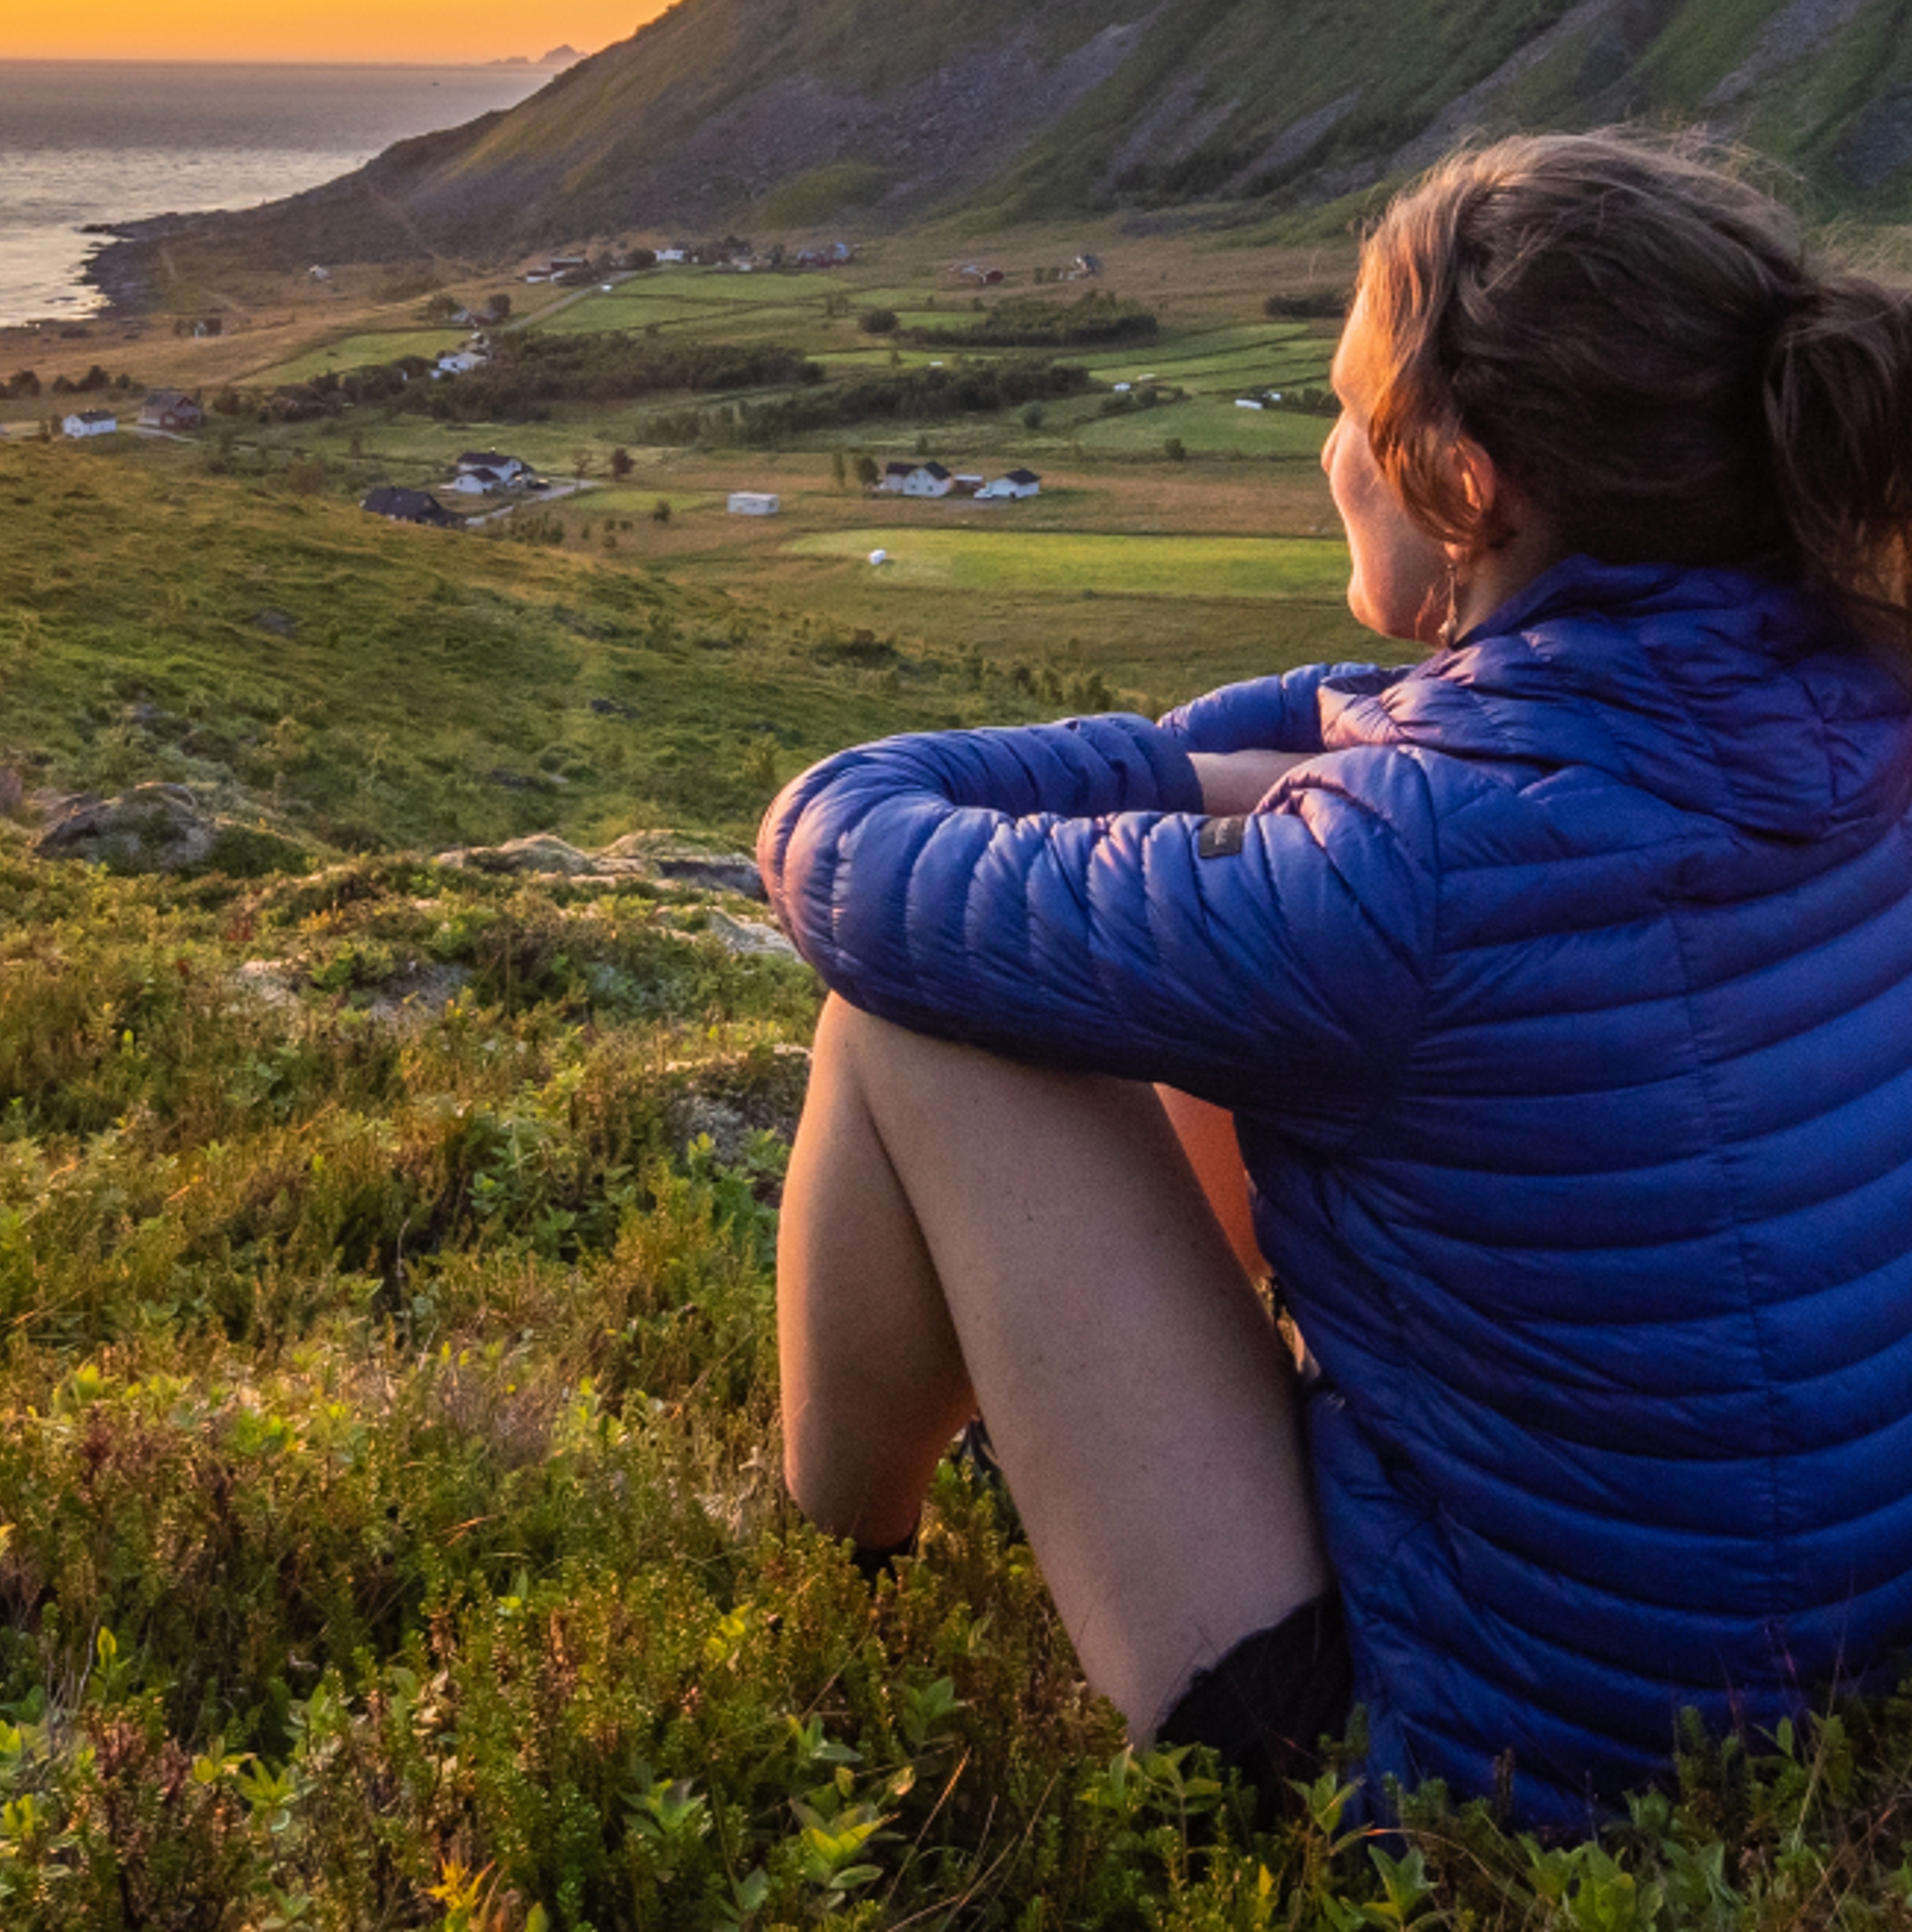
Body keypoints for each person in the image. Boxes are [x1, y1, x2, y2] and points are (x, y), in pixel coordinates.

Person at [756, 130, 1912, 1827]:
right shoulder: (1860, 690)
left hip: (1479, 1763)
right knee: (1207, 994)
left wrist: (1137, 767)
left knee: (914, 1021)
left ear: (1459, 479)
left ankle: (828, 1575)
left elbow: (848, 851)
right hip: (1824, 1661)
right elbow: (1409, 751)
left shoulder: (1404, 874)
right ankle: (1050, 1440)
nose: (1323, 453)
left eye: (1346, 408)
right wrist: (1259, 759)